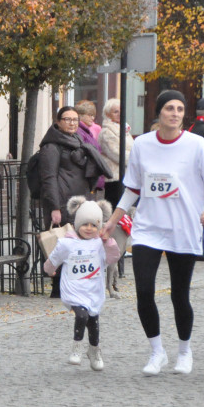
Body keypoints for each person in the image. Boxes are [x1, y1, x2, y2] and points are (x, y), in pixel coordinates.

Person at [100, 90, 204, 375]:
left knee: (179, 295)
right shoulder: (143, 144)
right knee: (144, 291)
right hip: (148, 228)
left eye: (180, 109)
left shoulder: (197, 145)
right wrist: (113, 220)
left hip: (183, 228)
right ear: (159, 112)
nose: (175, 113)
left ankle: (184, 351)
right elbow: (133, 187)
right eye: (169, 108)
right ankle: (156, 351)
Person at [38, 106, 109, 297]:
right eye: (67, 119)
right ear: (58, 122)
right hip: (61, 202)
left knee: (78, 245)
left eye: (75, 119)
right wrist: (54, 207)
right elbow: (49, 178)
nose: (72, 123)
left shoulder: (78, 141)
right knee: (61, 244)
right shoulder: (51, 147)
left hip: (80, 202)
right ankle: (57, 288)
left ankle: (74, 285)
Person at [43, 197, 120, 371]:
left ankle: (94, 350)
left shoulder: (100, 244)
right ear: (77, 224)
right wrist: (49, 270)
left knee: (93, 320)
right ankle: (76, 348)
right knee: (82, 315)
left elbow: (113, 257)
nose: (89, 229)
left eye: (94, 225)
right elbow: (53, 259)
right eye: (85, 224)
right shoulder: (67, 243)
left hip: (93, 290)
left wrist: (109, 242)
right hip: (74, 290)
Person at [97, 98, 134, 210]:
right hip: (116, 178)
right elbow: (117, 155)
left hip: (126, 175)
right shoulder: (107, 132)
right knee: (116, 210)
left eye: (121, 110)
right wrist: (137, 158)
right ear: (108, 114)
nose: (119, 114)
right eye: (115, 111)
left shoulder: (124, 129)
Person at [75, 100, 104, 195]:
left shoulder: (86, 131)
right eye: (89, 115)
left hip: (91, 175)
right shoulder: (79, 131)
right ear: (80, 115)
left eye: (93, 115)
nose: (92, 118)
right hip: (87, 176)